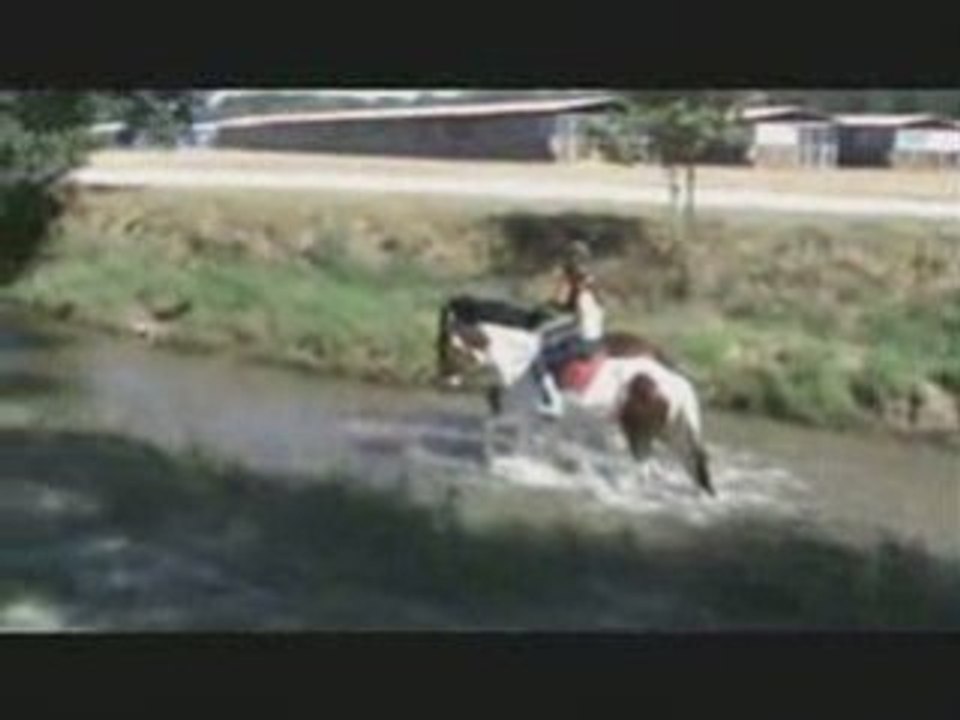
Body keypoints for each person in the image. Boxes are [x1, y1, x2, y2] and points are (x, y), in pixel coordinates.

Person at [532, 240, 606, 418]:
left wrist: (550, 329)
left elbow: (575, 320)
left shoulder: (581, 293)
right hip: (597, 338)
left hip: (584, 341)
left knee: (539, 360)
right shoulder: (593, 287)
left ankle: (553, 401)